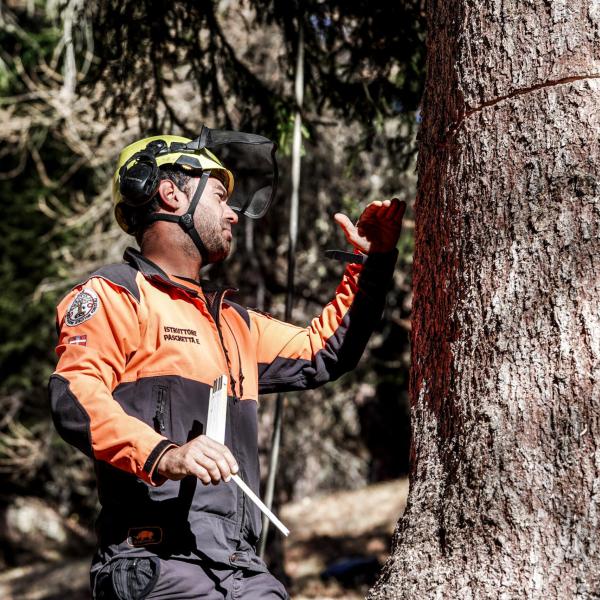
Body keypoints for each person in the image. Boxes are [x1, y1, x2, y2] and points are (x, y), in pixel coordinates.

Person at [49, 130, 406, 599]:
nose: (234, 213)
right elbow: (74, 396)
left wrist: (371, 260)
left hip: (239, 566)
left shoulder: (234, 323)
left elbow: (325, 351)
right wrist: (165, 453)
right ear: (171, 192)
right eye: (220, 195)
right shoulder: (115, 296)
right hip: (156, 564)